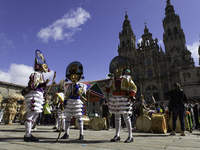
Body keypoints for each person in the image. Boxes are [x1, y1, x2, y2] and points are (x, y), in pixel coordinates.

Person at [105, 56, 137, 143]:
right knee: (116, 117)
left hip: (123, 99)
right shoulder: (112, 81)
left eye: (118, 69)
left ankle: (130, 136)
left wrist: (130, 95)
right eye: (115, 69)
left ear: (122, 69)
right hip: (115, 99)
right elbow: (110, 90)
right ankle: (117, 135)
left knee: (126, 117)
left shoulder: (127, 78)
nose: (116, 71)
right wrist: (104, 88)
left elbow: (134, 87)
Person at [23, 49, 51, 142]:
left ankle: (29, 133)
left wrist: (44, 90)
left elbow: (40, 87)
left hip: (38, 95)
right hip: (34, 95)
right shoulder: (35, 74)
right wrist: (44, 84)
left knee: (36, 115)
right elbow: (34, 85)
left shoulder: (41, 75)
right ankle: (27, 135)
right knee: (31, 115)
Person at [61, 61, 87, 140]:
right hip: (69, 102)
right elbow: (66, 96)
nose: (73, 77)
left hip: (77, 102)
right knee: (67, 118)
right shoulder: (68, 86)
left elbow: (83, 94)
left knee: (79, 118)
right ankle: (66, 133)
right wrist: (64, 103)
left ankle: (81, 134)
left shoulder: (82, 85)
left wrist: (78, 89)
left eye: (75, 75)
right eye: (71, 76)